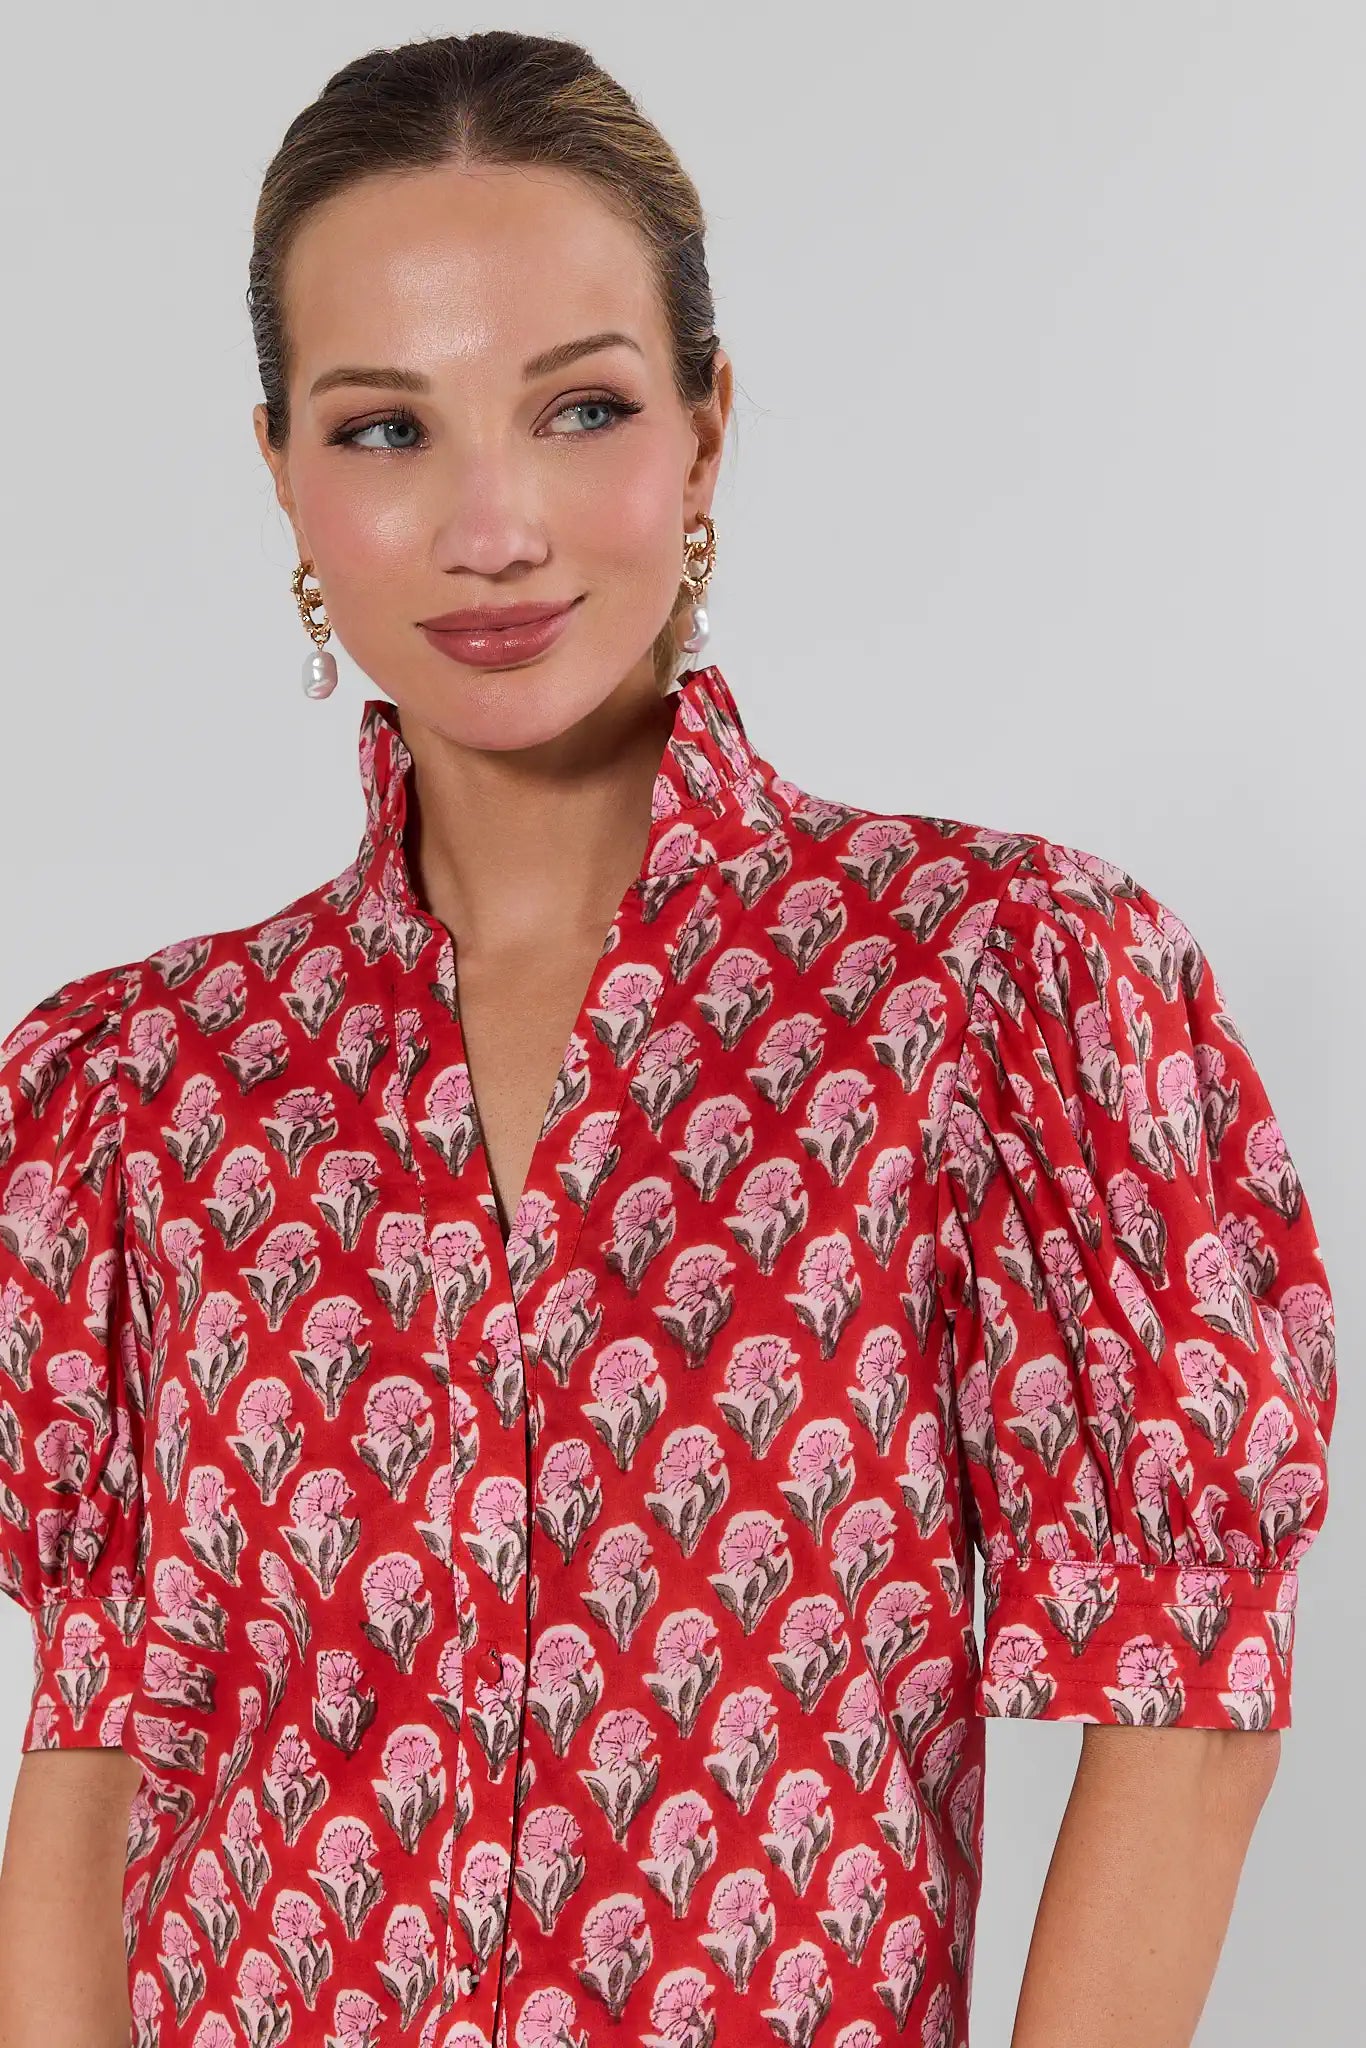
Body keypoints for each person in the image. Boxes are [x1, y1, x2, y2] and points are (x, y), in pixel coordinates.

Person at [0, 29, 1336, 2048]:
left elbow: (1182, 1705)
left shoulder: (984, 993)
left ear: (704, 434)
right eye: (383, 430)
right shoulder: (138, 1090)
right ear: (278, 465)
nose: (492, 523)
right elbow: (97, 1747)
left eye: (579, 408)